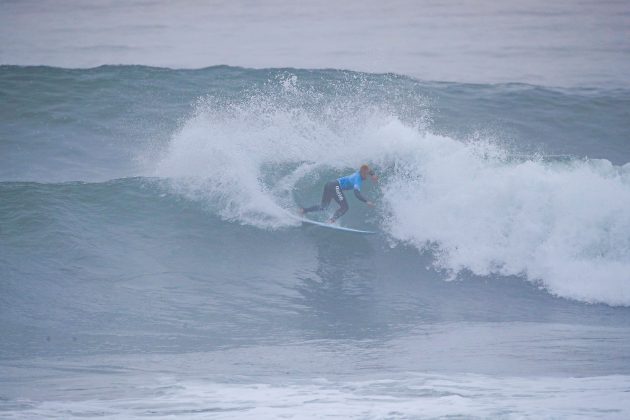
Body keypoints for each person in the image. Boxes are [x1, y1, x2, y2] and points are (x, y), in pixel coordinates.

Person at [300, 164, 378, 223]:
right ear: (363, 172)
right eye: (366, 174)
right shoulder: (358, 179)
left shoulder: (360, 172)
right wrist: (366, 201)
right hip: (335, 186)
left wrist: (373, 175)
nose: (367, 176)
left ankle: (304, 210)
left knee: (323, 207)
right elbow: (356, 194)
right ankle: (331, 221)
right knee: (345, 207)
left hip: (329, 184)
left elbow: (368, 170)